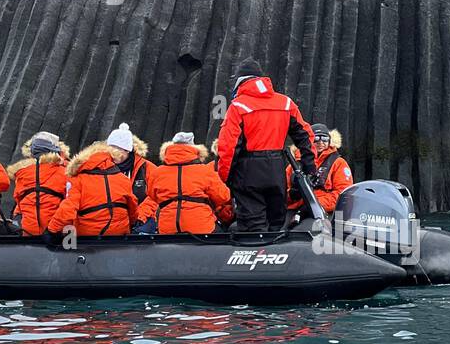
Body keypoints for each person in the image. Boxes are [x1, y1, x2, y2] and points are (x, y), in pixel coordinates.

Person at [216, 58, 316, 233]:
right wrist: (310, 166)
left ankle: (256, 255)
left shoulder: (238, 106)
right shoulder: (285, 103)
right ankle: (278, 256)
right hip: (277, 170)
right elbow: (305, 136)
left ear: (239, 81)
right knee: (276, 221)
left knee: (252, 225)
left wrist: (225, 178)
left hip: (248, 173)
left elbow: (228, 148)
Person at [45, 133, 139, 240]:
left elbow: (68, 209)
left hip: (88, 238)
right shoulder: (122, 178)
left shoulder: (78, 179)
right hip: (119, 236)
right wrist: (131, 224)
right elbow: (132, 206)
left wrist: (52, 230)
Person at [150, 132, 233, 234]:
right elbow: (223, 196)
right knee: (225, 234)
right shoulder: (205, 171)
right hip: (201, 227)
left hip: (167, 228)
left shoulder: (157, 173)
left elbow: (152, 195)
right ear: (194, 148)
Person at [8, 131, 70, 236]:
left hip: (28, 232)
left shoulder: (22, 174)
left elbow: (19, 202)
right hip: (55, 233)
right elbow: (70, 203)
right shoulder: (64, 172)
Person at [286, 124, 353, 216]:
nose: (321, 142)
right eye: (316, 139)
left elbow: (343, 194)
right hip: (294, 210)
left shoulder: (338, 163)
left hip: (324, 212)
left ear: (330, 141)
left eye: (324, 139)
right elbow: (281, 193)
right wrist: (293, 194)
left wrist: (313, 205)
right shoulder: (294, 165)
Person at [106, 122, 158, 232]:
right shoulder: (102, 167)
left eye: (118, 149)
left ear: (127, 150)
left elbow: (154, 196)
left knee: (141, 234)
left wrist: (140, 215)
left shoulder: (148, 168)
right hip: (113, 216)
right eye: (111, 148)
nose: (113, 153)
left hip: (144, 216)